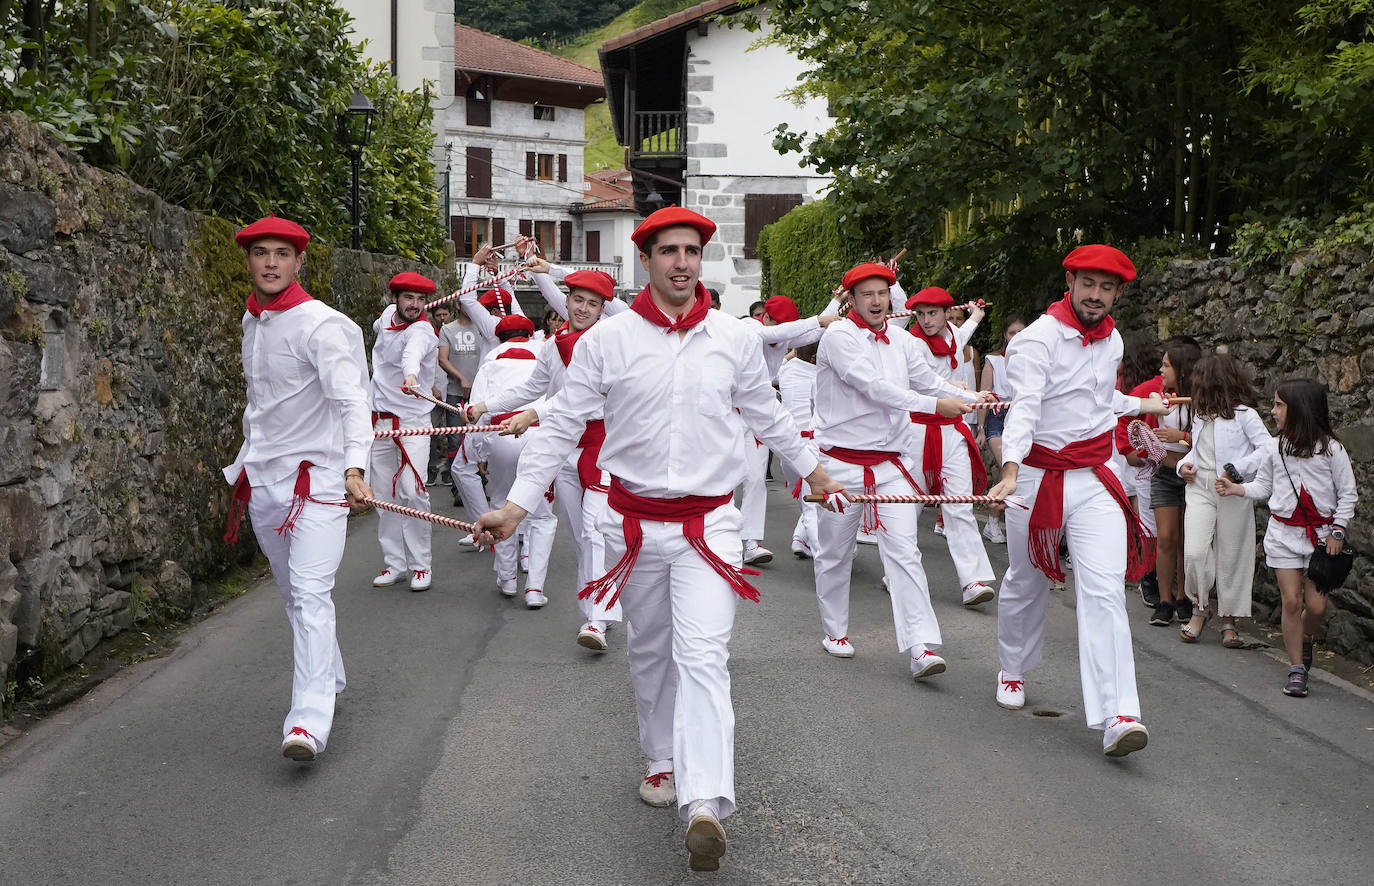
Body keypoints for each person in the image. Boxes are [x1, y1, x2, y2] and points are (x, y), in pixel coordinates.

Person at [474, 206, 843, 872]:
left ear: (701, 259)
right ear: (645, 261)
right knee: (650, 653)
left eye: (691, 251)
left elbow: (768, 414)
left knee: (703, 657)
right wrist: (517, 506)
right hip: (632, 527)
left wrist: (813, 472)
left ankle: (704, 802)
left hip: (710, 528)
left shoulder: (733, 338)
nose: (681, 262)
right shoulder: (608, 344)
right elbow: (559, 427)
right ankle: (662, 757)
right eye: (669, 250)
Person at [986, 244, 1168, 758]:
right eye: (1088, 284)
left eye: (1107, 287)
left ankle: (1119, 714)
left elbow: (1098, 400)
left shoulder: (1110, 340)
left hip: (1094, 476)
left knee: (1105, 589)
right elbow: (1027, 407)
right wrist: (1012, 468)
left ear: (1117, 294)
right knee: (1027, 577)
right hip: (1037, 476)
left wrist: (1142, 403)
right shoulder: (1037, 340)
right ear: (1070, 282)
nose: (1096, 295)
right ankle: (1013, 669)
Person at [221, 215, 373, 762]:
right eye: (260, 252)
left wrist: (356, 467)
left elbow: (353, 401)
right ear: (248, 260)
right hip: (263, 483)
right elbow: (261, 405)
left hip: (320, 483)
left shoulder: (323, 325)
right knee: (292, 597)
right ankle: (328, 676)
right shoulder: (252, 321)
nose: (269, 262)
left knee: (310, 595)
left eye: (281, 253)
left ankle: (307, 724)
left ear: (299, 261)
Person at [811, 264, 979, 674]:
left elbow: (926, 380)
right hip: (839, 464)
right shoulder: (837, 337)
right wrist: (936, 406)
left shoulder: (902, 340)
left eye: (882, 293)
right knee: (835, 554)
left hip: (888, 464)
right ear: (850, 299)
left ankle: (921, 647)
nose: (875, 301)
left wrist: (973, 395)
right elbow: (872, 387)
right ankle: (835, 631)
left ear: (890, 297)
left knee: (905, 551)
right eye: (866, 294)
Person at [466, 260, 627, 649]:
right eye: (577, 300)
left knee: (595, 531)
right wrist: (484, 405)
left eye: (593, 303)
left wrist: (549, 269)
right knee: (581, 535)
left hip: (603, 445)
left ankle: (597, 619)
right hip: (563, 445)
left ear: (603, 308)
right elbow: (533, 389)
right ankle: (603, 602)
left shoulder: (612, 340)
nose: (584, 309)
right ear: (565, 303)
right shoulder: (551, 347)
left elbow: (574, 398)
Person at [1217, 378, 1356, 697]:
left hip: (1321, 537)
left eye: (1279, 405)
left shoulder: (1331, 449)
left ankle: (1303, 639)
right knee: (1291, 601)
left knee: (1317, 607)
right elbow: (1264, 487)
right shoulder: (1276, 448)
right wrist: (1238, 489)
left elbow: (1348, 493)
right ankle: (1296, 669)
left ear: (1300, 409)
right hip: (1282, 535)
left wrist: (1338, 529)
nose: (1273, 411)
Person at [901, 285, 997, 607]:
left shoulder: (954, 332)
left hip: (952, 431)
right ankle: (896, 572)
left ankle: (972, 580)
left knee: (959, 503)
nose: (926, 320)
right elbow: (929, 383)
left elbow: (962, 337)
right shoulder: (911, 342)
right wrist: (971, 395)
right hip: (917, 430)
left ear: (946, 314)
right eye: (920, 314)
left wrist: (978, 316)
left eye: (932, 314)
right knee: (907, 506)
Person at [736, 294, 844, 565]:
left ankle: (750, 543)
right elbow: (795, 329)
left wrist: (836, 303)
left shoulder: (783, 334)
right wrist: (820, 318)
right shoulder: (749, 327)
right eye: (780, 324)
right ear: (766, 317)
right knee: (718, 476)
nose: (785, 334)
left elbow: (809, 332)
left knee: (755, 478)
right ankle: (712, 536)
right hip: (729, 412)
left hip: (760, 413)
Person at [1175, 353, 1270, 644]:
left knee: (1233, 554)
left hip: (1232, 490)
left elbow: (1268, 448)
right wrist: (1183, 466)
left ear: (1213, 383)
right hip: (1200, 488)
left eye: (1199, 382)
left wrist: (1236, 470)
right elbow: (1198, 452)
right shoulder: (1201, 416)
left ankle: (1229, 618)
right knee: (1194, 551)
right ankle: (1200, 608)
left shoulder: (1245, 415)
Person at [466, 314, 559, 607]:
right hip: (539, 434)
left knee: (501, 504)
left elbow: (477, 412)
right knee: (542, 513)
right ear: (530, 333)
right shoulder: (545, 353)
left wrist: (480, 453)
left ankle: (507, 578)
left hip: (503, 435)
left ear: (498, 338)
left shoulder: (490, 361)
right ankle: (534, 587)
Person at [369, 272, 439, 592]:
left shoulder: (424, 330)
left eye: (421, 299)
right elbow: (381, 334)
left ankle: (420, 565)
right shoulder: (384, 318)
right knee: (383, 496)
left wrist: (411, 375)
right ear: (395, 298)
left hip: (413, 421)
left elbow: (412, 350)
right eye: (409, 298)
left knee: (412, 490)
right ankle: (394, 563)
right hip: (380, 420)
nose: (415, 305)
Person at [1148, 337, 1202, 627]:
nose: (1161, 370)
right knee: (1166, 536)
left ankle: (1183, 597)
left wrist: (1180, 437)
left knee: (1186, 538)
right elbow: (1154, 440)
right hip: (1166, 472)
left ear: (1182, 369)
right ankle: (1164, 599)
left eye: (1166, 365)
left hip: (1194, 475)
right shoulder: (1161, 398)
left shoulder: (1200, 402)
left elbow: (1209, 442)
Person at [1113, 333, 1163, 607]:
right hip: (1131, 453)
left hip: (1130, 453)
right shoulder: (1134, 385)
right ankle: (1140, 569)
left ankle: (1139, 567)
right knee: (1136, 512)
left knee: (1136, 514)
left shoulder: (1139, 386)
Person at [978, 316, 1025, 544]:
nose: (1015, 337)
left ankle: (1009, 525)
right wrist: (980, 429)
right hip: (997, 417)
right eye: (1011, 333)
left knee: (1023, 472)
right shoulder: (994, 360)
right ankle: (993, 523)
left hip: (1022, 416)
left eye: (1020, 332)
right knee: (1008, 465)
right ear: (1004, 335)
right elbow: (985, 396)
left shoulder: (1033, 358)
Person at [438, 303, 486, 520]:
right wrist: (461, 377)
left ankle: (480, 484)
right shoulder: (447, 329)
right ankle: (459, 489)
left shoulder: (483, 327)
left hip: (480, 395)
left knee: (480, 440)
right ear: (458, 305)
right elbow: (442, 359)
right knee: (456, 441)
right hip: (455, 393)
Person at [778, 342, 820, 558]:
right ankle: (821, 549)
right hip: (811, 447)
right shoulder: (819, 377)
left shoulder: (785, 370)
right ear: (814, 358)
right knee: (815, 504)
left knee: (806, 500)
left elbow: (781, 364)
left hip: (786, 446)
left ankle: (799, 538)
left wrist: (792, 353)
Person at [426, 304, 454, 486]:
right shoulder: (429, 336)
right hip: (433, 391)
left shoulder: (455, 335)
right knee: (430, 432)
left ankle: (448, 472)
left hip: (452, 390)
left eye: (445, 314)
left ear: (451, 314)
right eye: (438, 315)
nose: (442, 318)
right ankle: (431, 471)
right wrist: (431, 387)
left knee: (454, 434)